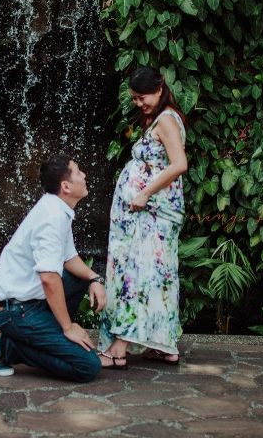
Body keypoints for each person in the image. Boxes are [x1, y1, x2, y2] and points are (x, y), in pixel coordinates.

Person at [0, 155, 107, 382]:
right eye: (79, 172)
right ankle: (6, 347)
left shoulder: (58, 209)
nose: (84, 175)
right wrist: (68, 327)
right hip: (15, 312)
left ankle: (51, 337)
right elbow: (49, 279)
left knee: (78, 277)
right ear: (66, 186)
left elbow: (69, 258)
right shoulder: (52, 218)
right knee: (88, 367)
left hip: (29, 304)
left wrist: (95, 279)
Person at [97, 66, 188, 369]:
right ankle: (164, 346)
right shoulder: (159, 119)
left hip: (154, 212)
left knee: (139, 275)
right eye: (135, 99)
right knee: (158, 275)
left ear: (160, 88)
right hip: (150, 212)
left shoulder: (166, 120)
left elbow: (179, 164)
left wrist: (145, 193)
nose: (139, 103)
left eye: (143, 97)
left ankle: (119, 346)